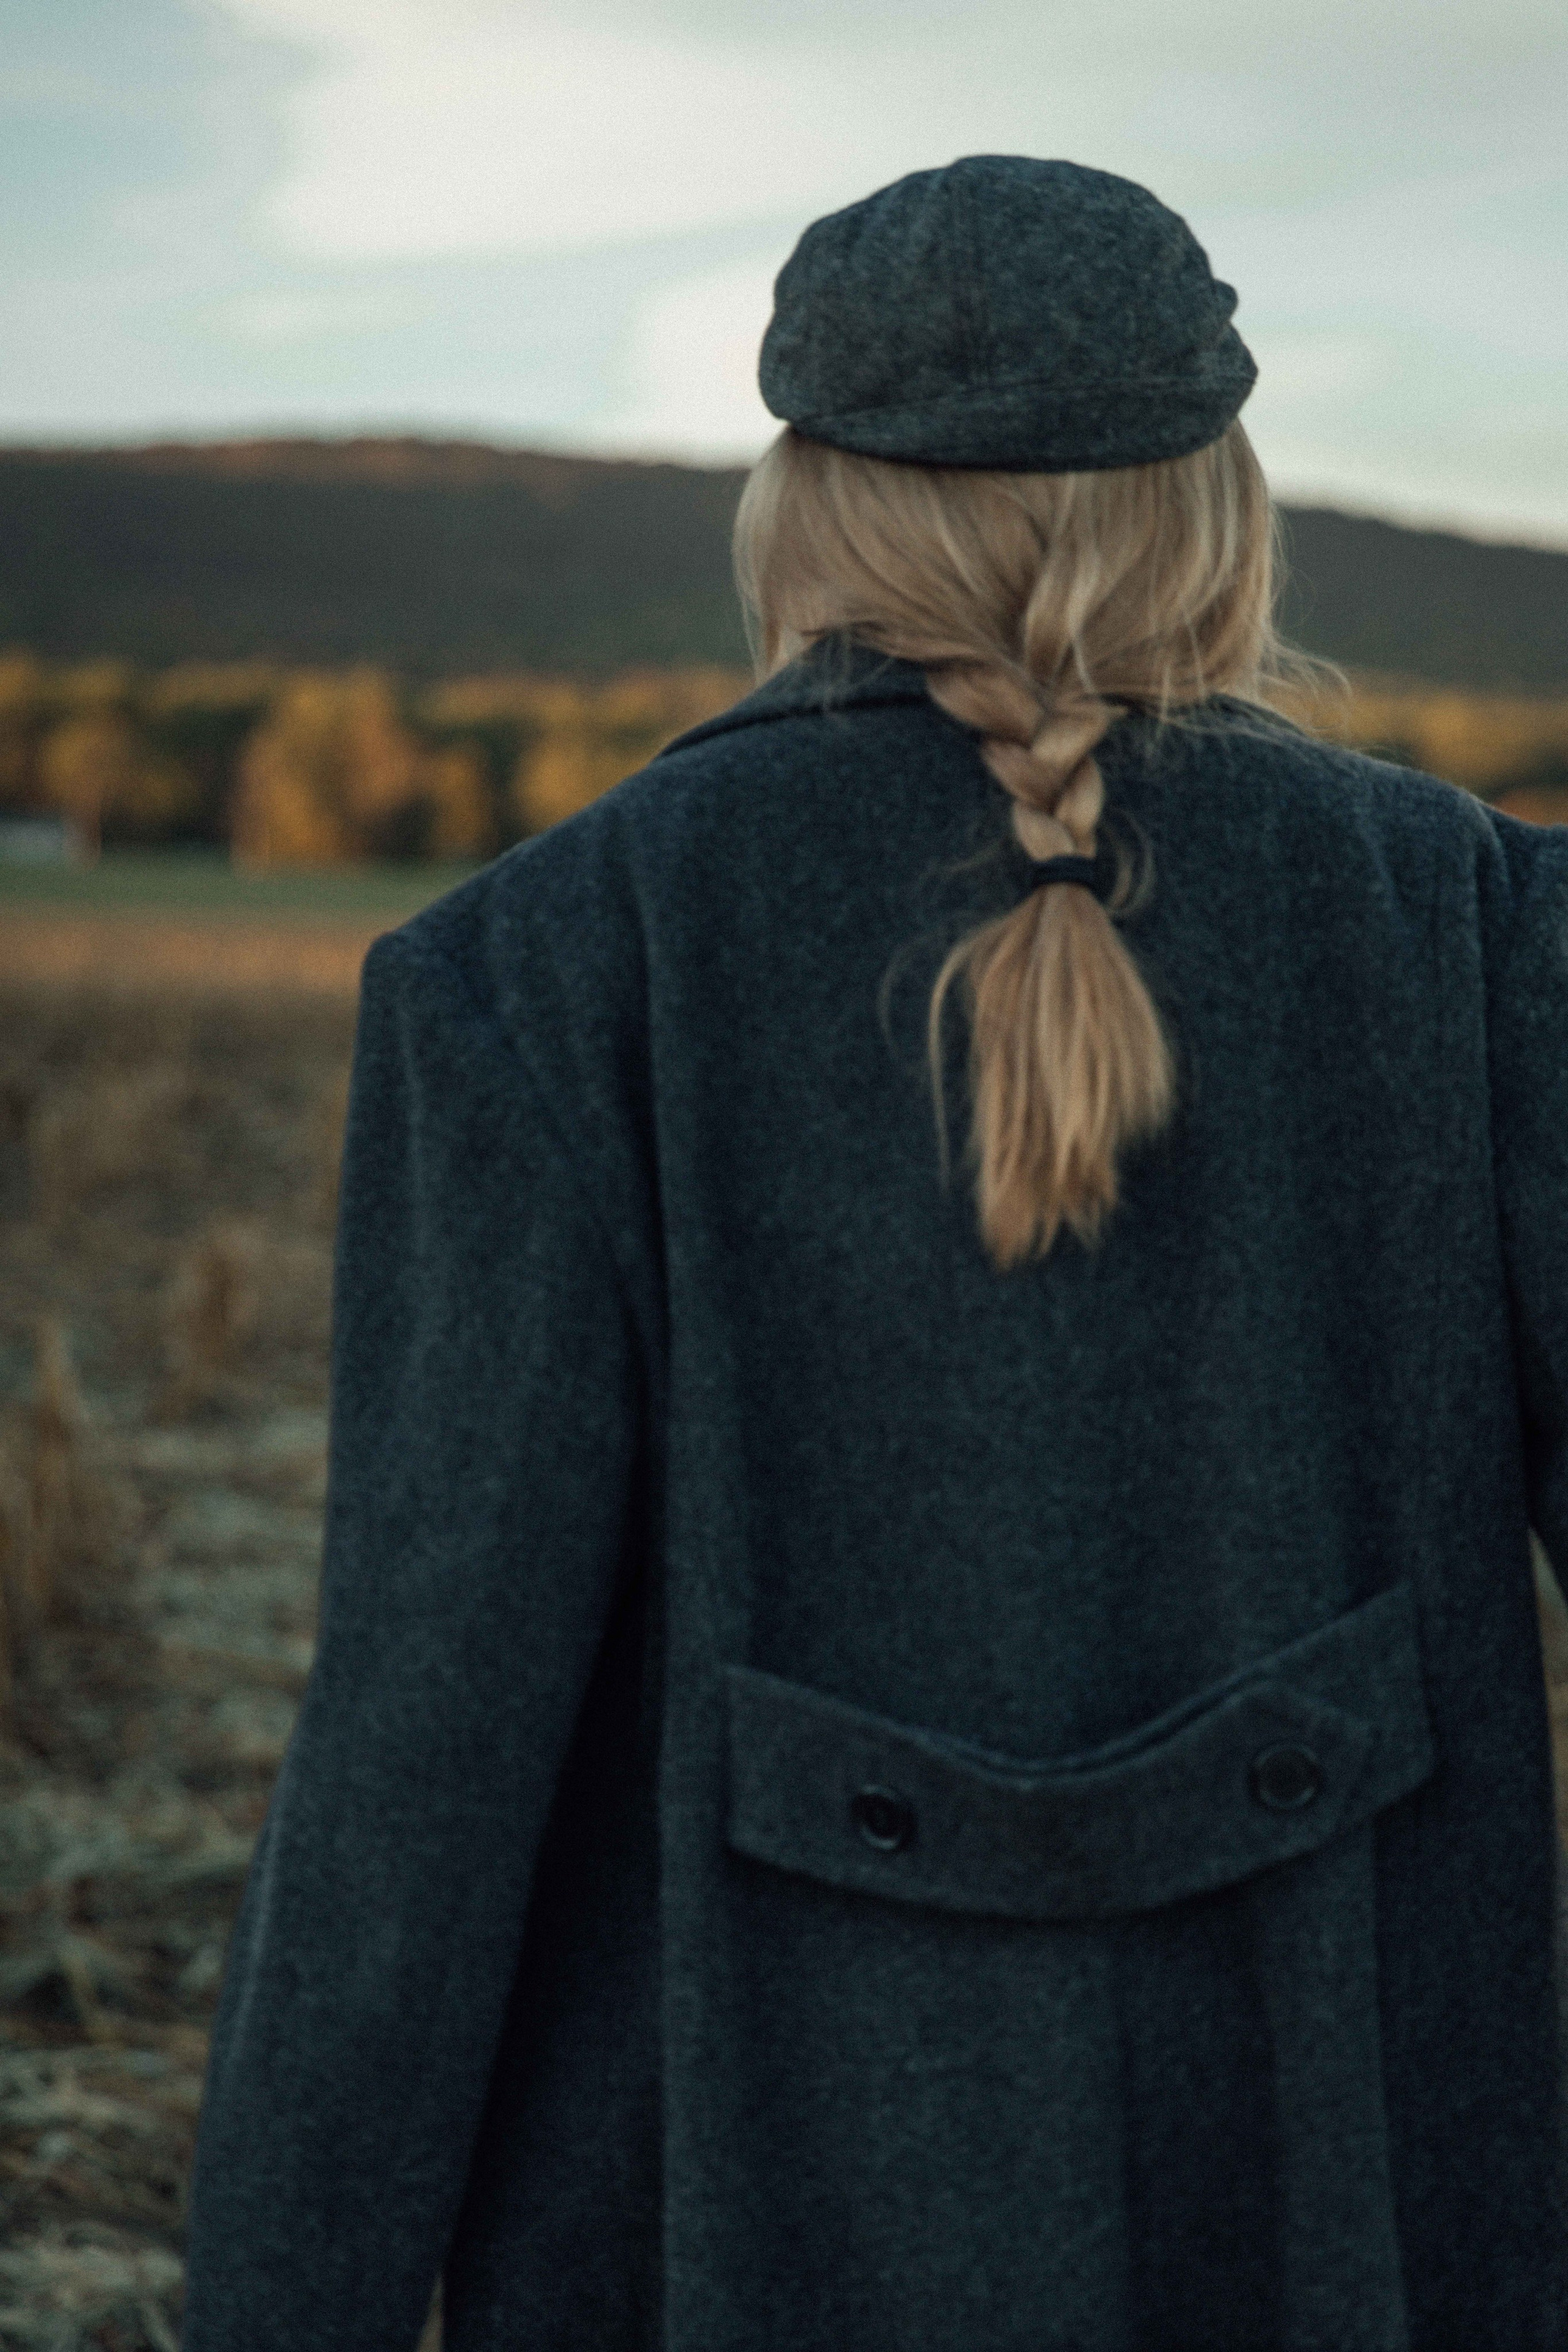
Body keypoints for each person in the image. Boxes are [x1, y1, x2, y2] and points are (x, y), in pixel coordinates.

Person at [181, 157, 1568, 2351]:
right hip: (1350, 2173)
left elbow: (419, 1754)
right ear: (1215, 503)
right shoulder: (1479, 928)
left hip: (719, 2193)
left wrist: (288, 2298)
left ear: (804, 507)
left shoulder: (537, 966)